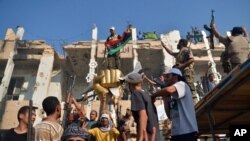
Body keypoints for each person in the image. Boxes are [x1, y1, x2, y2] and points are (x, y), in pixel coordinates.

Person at [152, 68, 198, 141]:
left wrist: (153, 95)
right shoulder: (171, 95)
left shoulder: (182, 84)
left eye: (168, 76)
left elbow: (168, 90)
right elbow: (169, 115)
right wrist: (164, 96)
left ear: (175, 77)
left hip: (187, 131)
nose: (165, 79)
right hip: (176, 133)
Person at [125, 72, 160, 141]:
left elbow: (143, 115)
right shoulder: (146, 95)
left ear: (130, 84)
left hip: (147, 137)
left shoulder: (136, 94)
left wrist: (140, 137)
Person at [161, 39, 198, 104]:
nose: (177, 44)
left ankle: (195, 104)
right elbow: (171, 53)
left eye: (178, 42)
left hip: (187, 72)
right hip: (182, 73)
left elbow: (192, 59)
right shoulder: (180, 52)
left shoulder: (186, 50)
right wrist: (164, 46)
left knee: (190, 88)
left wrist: (182, 65)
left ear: (181, 43)